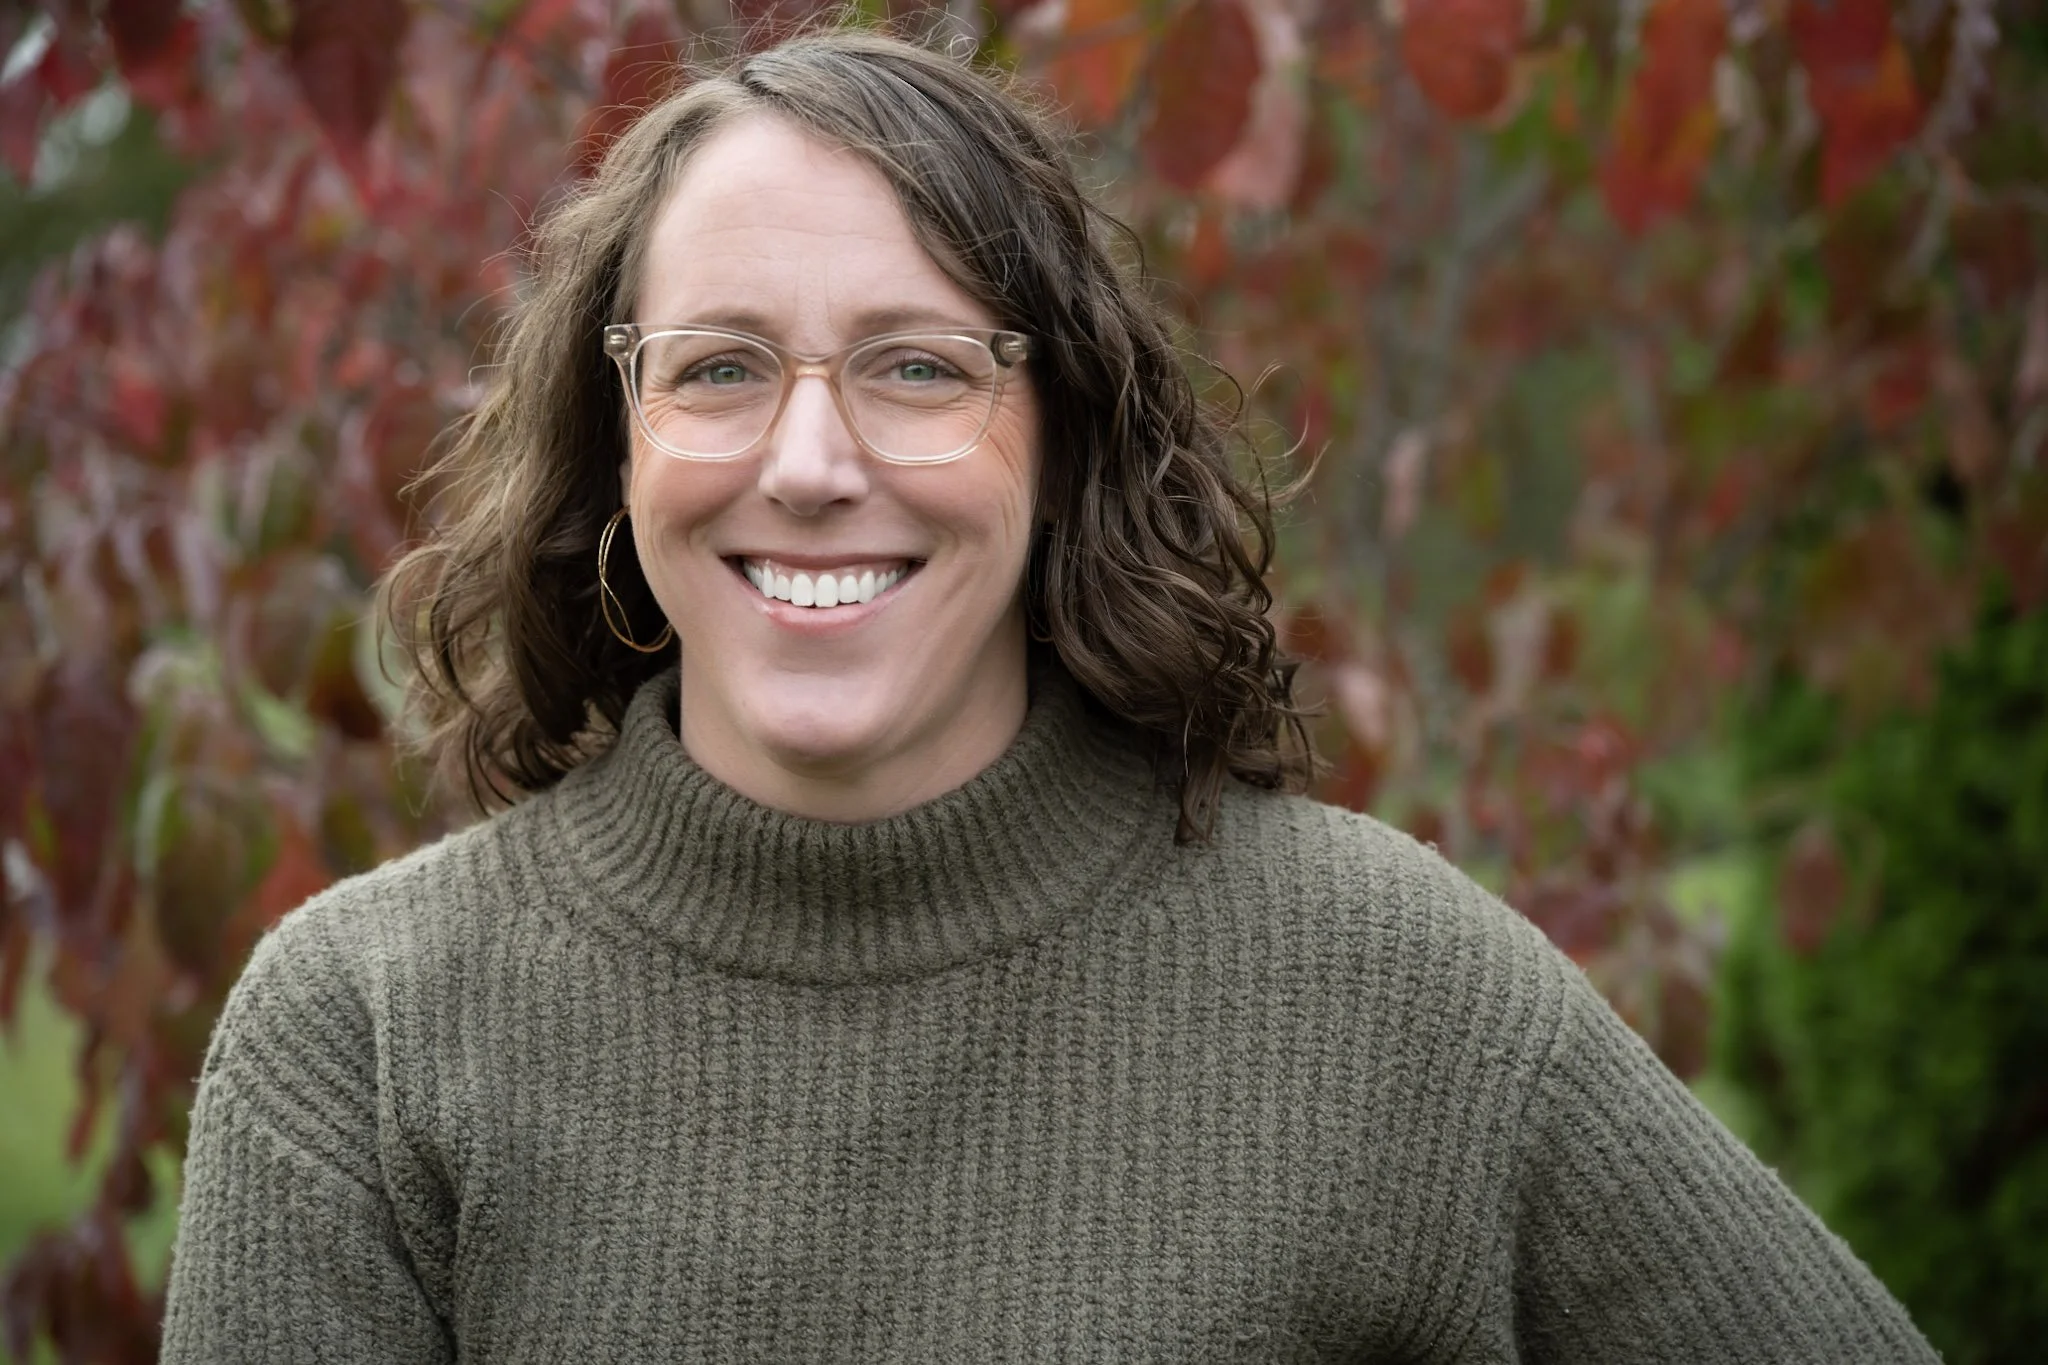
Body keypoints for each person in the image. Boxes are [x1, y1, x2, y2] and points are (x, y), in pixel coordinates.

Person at [159, 27, 1940, 1364]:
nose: (808, 459)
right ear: (614, 441)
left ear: (1062, 428)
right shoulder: (360, 1046)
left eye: (918, 366)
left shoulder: (1395, 997)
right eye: (716, 368)